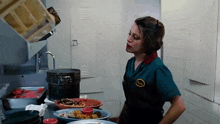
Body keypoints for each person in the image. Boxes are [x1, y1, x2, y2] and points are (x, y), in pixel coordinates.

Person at [117, 16, 186, 124]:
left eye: (135, 37)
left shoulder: (157, 68)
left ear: (148, 43)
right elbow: (130, 100)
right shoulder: (131, 63)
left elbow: (179, 105)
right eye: (129, 34)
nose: (129, 39)